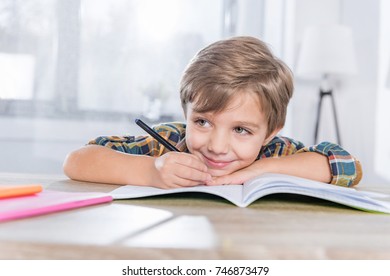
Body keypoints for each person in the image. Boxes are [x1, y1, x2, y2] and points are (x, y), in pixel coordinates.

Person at [63, 36, 362, 189]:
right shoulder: (168, 141)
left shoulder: (275, 152)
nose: (217, 147)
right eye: (203, 122)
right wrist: (151, 172)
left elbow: (349, 167)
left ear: (271, 130)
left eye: (241, 130)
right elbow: (77, 161)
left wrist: (259, 170)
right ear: (186, 113)